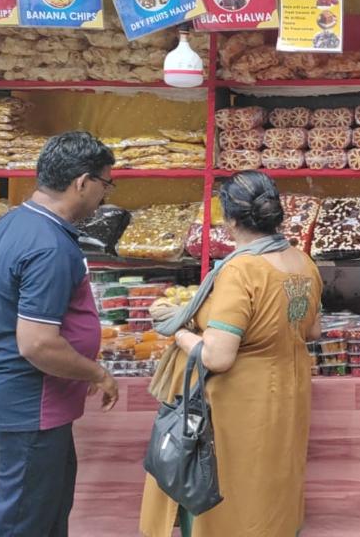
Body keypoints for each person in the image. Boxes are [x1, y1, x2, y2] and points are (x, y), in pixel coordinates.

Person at [139, 171, 323, 537]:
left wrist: (179, 332)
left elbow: (217, 357)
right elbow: (313, 330)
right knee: (272, 486)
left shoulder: (241, 270)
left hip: (237, 406)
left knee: (231, 491)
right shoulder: (302, 261)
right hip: (287, 393)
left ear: (230, 219)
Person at [0, 131, 120, 537]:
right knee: (23, 518)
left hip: (25, 400)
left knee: (44, 512)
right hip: (29, 402)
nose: (105, 195)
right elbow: (36, 343)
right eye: (106, 183)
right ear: (82, 182)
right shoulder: (48, 245)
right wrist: (96, 373)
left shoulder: (15, 222)